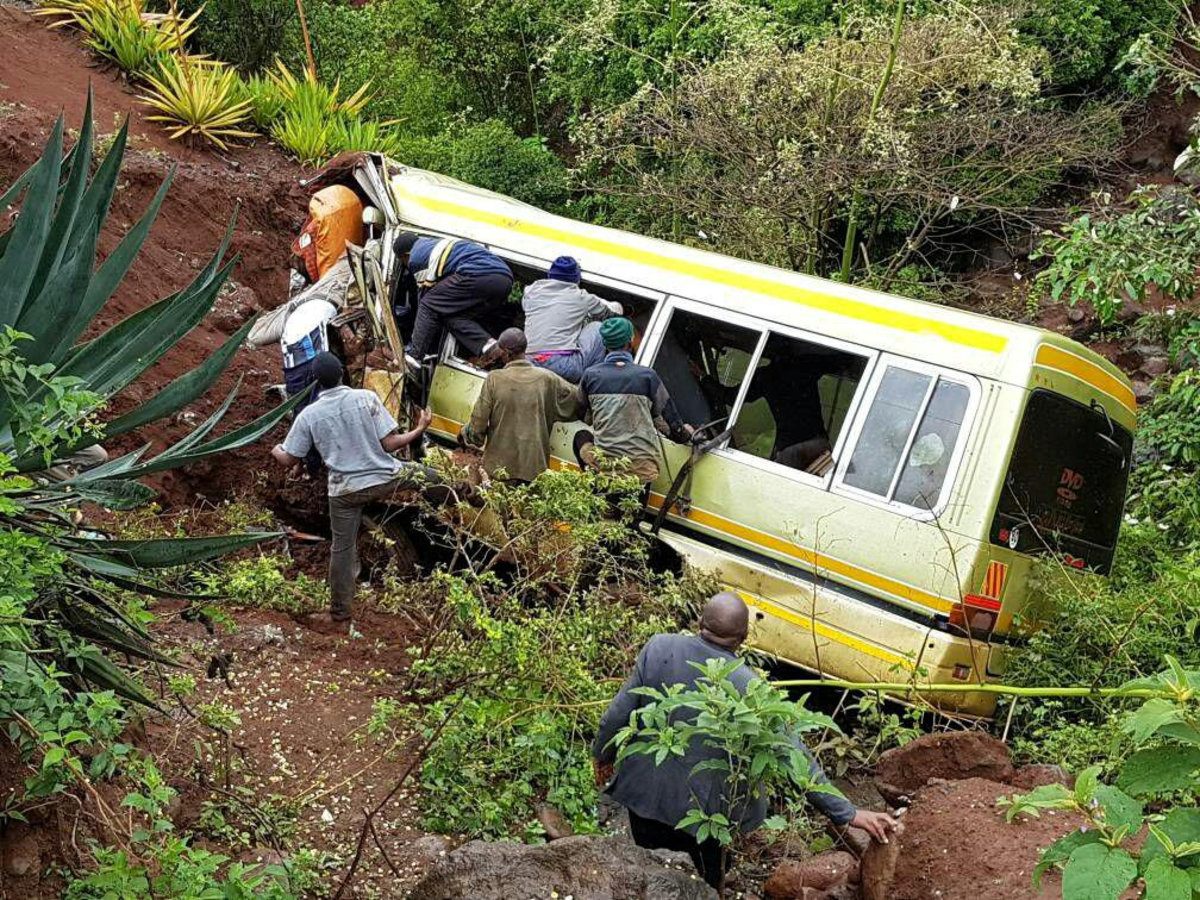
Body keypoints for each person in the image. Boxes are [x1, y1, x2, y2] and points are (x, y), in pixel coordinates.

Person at [592, 592, 897, 889]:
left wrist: (602, 756)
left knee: (648, 874)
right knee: (705, 883)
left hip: (643, 797)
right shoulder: (750, 688)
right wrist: (848, 812)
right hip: (706, 818)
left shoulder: (660, 648)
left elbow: (616, 715)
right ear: (744, 637)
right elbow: (794, 755)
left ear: (701, 621)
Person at [271, 353, 442, 629]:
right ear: (341, 373)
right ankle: (462, 499)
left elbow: (290, 459)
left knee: (342, 549)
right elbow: (390, 444)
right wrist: (420, 429)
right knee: (433, 478)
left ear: (316, 381)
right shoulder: (366, 398)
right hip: (385, 476)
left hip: (344, 492)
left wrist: (276, 450)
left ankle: (339, 615)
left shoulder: (309, 415)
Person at [573, 317, 691, 485]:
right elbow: (673, 426)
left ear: (605, 344)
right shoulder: (648, 377)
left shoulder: (591, 376)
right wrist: (686, 433)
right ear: (631, 341)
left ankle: (592, 484)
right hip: (642, 472)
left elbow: (582, 414)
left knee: (581, 437)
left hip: (607, 468)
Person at [459, 328, 582, 483]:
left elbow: (478, 425)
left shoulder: (494, 379)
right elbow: (579, 400)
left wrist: (466, 433)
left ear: (506, 354)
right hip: (534, 471)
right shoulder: (547, 379)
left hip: (498, 469)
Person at [392, 232, 514, 366]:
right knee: (452, 316)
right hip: (504, 281)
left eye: (402, 261)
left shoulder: (416, 257)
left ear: (405, 255)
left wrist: (415, 344)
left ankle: (415, 355)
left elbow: (425, 301)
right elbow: (440, 304)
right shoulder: (432, 244)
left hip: (479, 275)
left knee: (428, 304)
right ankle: (487, 345)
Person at [522, 255, 622, 383]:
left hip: (528, 362)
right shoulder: (581, 297)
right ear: (576, 279)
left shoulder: (531, 291)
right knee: (599, 327)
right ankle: (590, 383)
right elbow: (608, 316)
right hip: (561, 366)